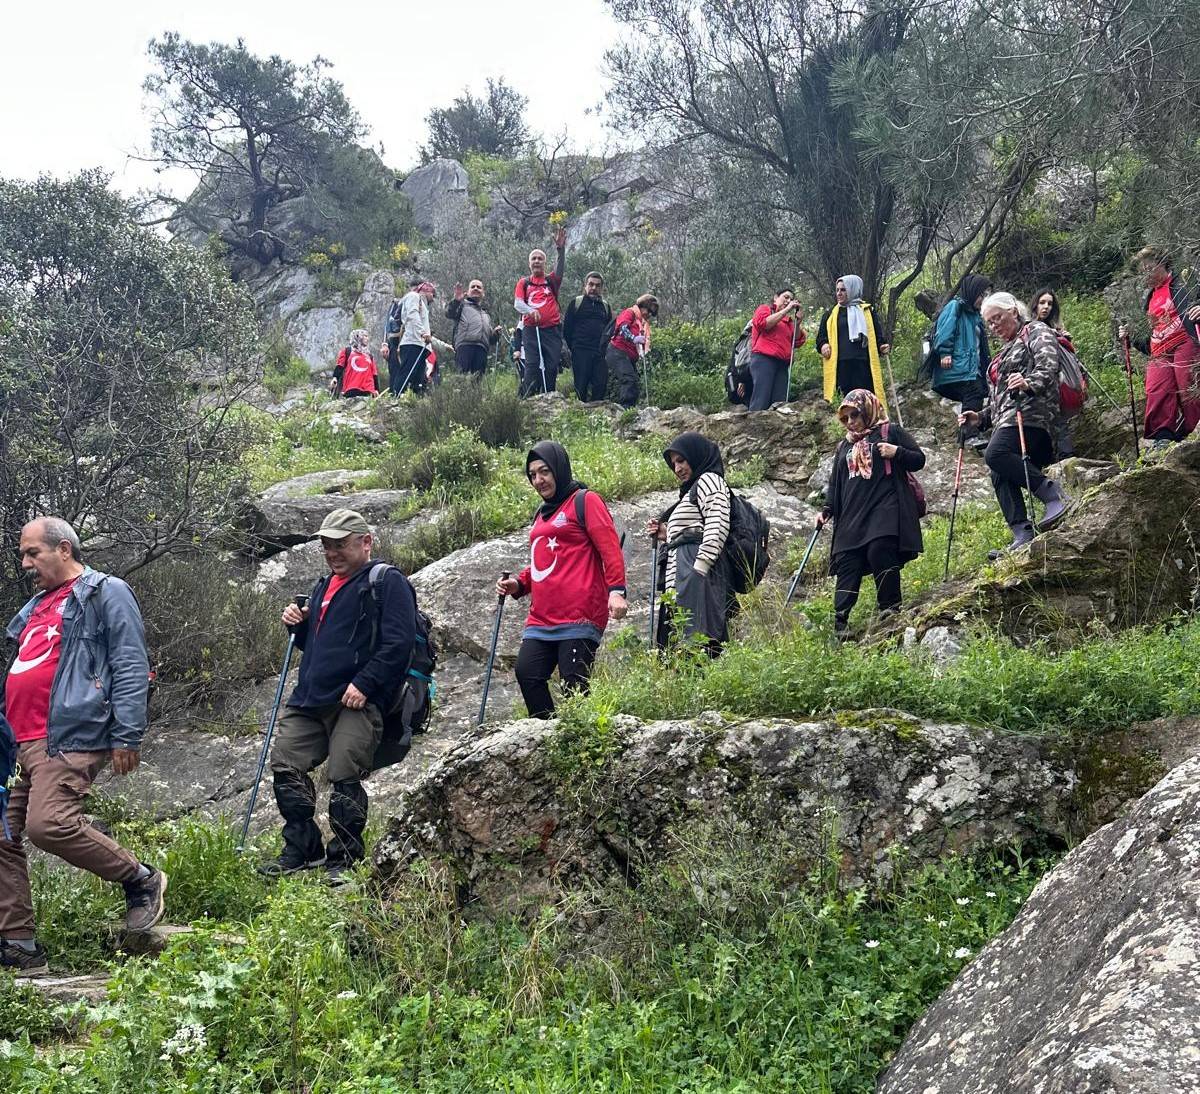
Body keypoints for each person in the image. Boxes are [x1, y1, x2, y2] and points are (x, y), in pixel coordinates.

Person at [1, 518, 164, 976]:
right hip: (16, 740)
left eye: (33, 553)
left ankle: (141, 878)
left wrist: (127, 733)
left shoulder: (104, 591)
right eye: (23, 554)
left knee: (48, 824)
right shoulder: (35, 606)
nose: (26, 562)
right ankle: (20, 945)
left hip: (67, 735)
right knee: (2, 836)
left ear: (65, 549)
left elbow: (131, 660)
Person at [261, 509, 416, 882]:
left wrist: (366, 683)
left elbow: (399, 644)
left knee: (344, 775)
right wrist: (296, 628)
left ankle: (344, 859)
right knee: (285, 763)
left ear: (366, 542)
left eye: (340, 544)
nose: (332, 552)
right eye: (327, 545)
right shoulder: (322, 585)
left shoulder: (387, 581)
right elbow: (316, 646)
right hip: (311, 699)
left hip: (356, 701)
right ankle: (303, 848)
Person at [496, 443, 627, 718]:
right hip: (542, 617)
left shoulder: (585, 500)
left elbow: (610, 548)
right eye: (532, 475)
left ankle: (581, 745)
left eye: (544, 471)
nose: (538, 480)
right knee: (527, 672)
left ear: (559, 469)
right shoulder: (541, 512)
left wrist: (616, 591)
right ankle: (548, 735)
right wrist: (519, 584)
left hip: (579, 615)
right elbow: (540, 562)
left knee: (574, 685)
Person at [960, 292, 1073, 557]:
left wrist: (1028, 383)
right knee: (998, 470)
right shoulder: (1004, 351)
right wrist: (979, 417)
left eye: (997, 318)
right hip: (1009, 420)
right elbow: (1001, 402)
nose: (994, 325)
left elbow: (1048, 367)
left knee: (995, 454)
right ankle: (1022, 532)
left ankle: (1052, 493)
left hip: (1035, 417)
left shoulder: (1036, 331)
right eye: (989, 322)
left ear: (1013, 310)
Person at [818, 390, 925, 641]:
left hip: (884, 505)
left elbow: (919, 459)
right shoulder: (844, 445)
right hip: (851, 515)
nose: (851, 422)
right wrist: (826, 510)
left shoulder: (890, 432)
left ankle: (889, 608)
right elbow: (836, 484)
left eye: (855, 414)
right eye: (845, 419)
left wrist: (896, 452)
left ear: (868, 410)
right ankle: (840, 620)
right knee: (847, 561)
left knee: (880, 549)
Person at [646, 432, 732, 656]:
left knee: (698, 643)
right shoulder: (689, 492)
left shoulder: (709, 480)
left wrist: (700, 567)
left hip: (696, 574)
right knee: (680, 646)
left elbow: (718, 520)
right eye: (673, 464)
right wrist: (666, 533)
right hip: (682, 576)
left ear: (696, 455)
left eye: (681, 460)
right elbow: (690, 530)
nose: (677, 469)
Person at [1117, 246, 1200, 448]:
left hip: (1184, 340)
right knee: (1157, 388)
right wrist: (1130, 336)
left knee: (1188, 383)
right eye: (1142, 271)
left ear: (1162, 263)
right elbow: (1147, 333)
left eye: (1148, 268)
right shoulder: (1149, 298)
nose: (1145, 274)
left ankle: (1195, 427)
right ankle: (1163, 435)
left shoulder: (1183, 283)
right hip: (1158, 349)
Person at [932, 274, 992, 449]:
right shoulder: (955, 307)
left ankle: (967, 434)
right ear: (973, 292)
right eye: (981, 295)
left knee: (978, 392)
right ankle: (969, 436)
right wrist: (944, 353)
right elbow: (944, 330)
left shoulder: (975, 315)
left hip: (971, 368)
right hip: (957, 365)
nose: (983, 299)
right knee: (973, 392)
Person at [817, 275, 891, 405]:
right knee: (843, 401)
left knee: (865, 400)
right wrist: (823, 345)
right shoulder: (830, 314)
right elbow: (821, 338)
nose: (839, 293)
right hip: (840, 365)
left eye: (843, 290)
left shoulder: (867, 311)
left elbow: (877, 335)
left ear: (853, 290)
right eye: (838, 290)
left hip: (863, 364)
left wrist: (882, 346)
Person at [514, 227, 567, 396]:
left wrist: (561, 250)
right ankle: (528, 399)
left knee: (551, 365)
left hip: (552, 330)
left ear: (545, 263)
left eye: (540, 259)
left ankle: (550, 396)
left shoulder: (551, 281)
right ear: (529, 263)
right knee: (532, 364)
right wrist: (530, 311)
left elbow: (560, 269)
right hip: (531, 330)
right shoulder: (524, 282)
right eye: (534, 259)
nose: (537, 261)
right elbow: (518, 303)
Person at [1029, 288, 1076, 457]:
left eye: (1050, 304)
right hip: (1035, 383)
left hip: (1054, 383)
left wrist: (1065, 341)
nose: (1046, 307)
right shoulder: (1028, 329)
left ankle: (1066, 457)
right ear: (1034, 305)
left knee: (1059, 421)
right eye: (1042, 302)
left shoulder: (1055, 329)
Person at [747, 289, 806, 411]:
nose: (788, 300)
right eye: (785, 297)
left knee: (780, 401)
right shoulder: (765, 310)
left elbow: (797, 341)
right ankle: (755, 425)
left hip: (782, 363)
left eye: (790, 299)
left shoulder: (788, 322)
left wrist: (798, 323)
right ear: (775, 297)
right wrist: (786, 310)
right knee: (761, 397)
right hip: (764, 359)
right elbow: (763, 324)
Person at [562, 272, 614, 401]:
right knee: (581, 386)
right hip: (580, 350)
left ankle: (597, 417)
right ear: (585, 286)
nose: (594, 288)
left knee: (600, 385)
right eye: (591, 284)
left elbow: (608, 329)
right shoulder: (576, 303)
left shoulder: (605, 307)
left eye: (597, 285)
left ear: (602, 288)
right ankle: (580, 416)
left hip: (599, 353)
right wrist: (573, 347)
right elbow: (567, 328)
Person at [606, 293, 659, 408]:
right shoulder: (629, 313)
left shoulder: (640, 322)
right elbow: (623, 328)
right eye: (648, 311)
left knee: (634, 382)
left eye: (651, 313)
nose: (649, 315)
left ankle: (631, 408)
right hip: (617, 351)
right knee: (628, 379)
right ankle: (625, 409)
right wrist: (633, 338)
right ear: (642, 306)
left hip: (628, 355)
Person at [385, 281, 436, 396]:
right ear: (426, 290)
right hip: (412, 342)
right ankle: (397, 397)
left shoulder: (422, 304)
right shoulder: (413, 296)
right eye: (433, 294)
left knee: (418, 377)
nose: (433, 298)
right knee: (406, 372)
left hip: (420, 344)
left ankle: (413, 401)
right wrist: (422, 333)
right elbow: (412, 315)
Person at [446, 279, 503, 378]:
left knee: (477, 381)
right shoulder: (461, 305)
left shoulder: (485, 315)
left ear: (483, 293)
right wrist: (456, 300)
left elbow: (490, 340)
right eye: (473, 287)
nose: (476, 288)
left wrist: (495, 334)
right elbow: (450, 313)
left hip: (482, 350)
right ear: (467, 292)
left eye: (479, 287)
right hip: (464, 347)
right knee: (462, 379)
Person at [382, 278, 419, 382]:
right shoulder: (399, 303)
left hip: (413, 344)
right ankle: (394, 396)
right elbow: (388, 323)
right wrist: (385, 344)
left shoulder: (422, 306)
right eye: (414, 289)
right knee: (395, 373)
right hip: (396, 343)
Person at [332, 329, 380, 398]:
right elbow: (340, 366)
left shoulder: (369, 356)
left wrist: (376, 390)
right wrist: (335, 377)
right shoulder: (347, 351)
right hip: (352, 388)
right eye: (365, 336)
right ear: (358, 337)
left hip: (368, 390)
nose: (367, 339)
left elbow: (374, 374)